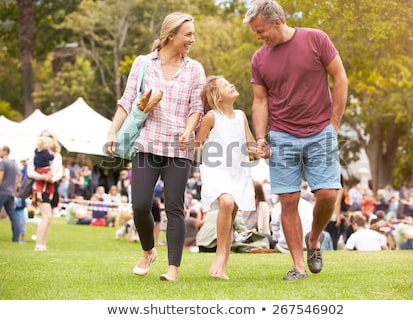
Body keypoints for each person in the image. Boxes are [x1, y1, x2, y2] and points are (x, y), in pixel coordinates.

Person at [244, 0, 348, 280]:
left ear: (277, 22)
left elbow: (340, 78)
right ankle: (298, 266)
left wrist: (333, 124)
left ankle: (313, 239)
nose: (259, 36)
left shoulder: (316, 38)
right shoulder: (259, 58)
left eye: (261, 30)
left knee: (328, 194)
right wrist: (261, 137)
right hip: (281, 135)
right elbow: (260, 101)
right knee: (288, 201)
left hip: (320, 132)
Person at [106, 12, 206, 281]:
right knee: (139, 204)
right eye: (188, 35)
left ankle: (173, 268)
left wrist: (188, 131)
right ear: (170, 35)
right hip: (147, 144)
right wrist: (112, 132)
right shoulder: (142, 64)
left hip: (178, 149)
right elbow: (127, 100)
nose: (192, 39)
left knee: (174, 206)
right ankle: (148, 250)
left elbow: (196, 108)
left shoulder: (195, 68)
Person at [190, 75, 256, 279]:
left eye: (230, 82)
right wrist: (184, 140)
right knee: (226, 202)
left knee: (230, 215)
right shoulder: (211, 117)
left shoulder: (241, 115)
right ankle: (219, 255)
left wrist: (261, 148)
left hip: (238, 171)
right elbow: (197, 143)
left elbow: (250, 143)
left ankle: (222, 268)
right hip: (217, 169)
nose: (232, 84)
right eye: (226, 85)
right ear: (217, 97)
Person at [27, 130, 63, 251]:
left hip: (52, 186)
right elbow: (30, 172)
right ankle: (38, 244)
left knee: (49, 218)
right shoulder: (36, 153)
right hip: (40, 187)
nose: (46, 138)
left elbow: (59, 172)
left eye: (49, 136)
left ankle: (43, 244)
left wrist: (53, 179)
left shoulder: (57, 155)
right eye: (43, 136)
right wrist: (42, 177)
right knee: (46, 216)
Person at [0, 145, 21, 242]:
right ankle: (16, 238)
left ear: (5, 151)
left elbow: (0, 177)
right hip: (10, 193)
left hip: (2, 192)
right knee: (13, 216)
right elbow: (19, 175)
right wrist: (15, 189)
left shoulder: (3, 163)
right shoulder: (13, 164)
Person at [33, 134, 55, 202]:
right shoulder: (46, 152)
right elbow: (51, 158)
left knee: (39, 183)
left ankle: (39, 194)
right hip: (46, 169)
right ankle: (51, 194)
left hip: (38, 169)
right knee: (50, 182)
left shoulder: (37, 151)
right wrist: (52, 154)